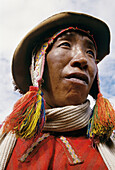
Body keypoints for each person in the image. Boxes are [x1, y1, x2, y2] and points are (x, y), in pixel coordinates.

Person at [0, 11, 115, 170]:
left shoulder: (110, 145)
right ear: (38, 66)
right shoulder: (5, 140)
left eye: (90, 53)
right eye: (65, 45)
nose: (82, 59)